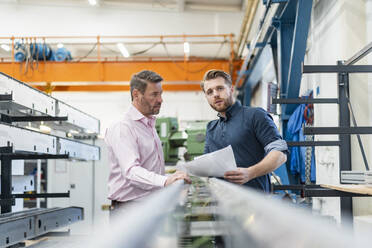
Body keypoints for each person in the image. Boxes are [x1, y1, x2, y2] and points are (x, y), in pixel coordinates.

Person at [105, 70, 190, 218]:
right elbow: (131, 171)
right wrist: (165, 180)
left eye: (161, 94)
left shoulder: (148, 125)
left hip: (148, 207)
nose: (160, 100)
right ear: (136, 94)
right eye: (154, 94)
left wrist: (169, 176)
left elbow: (148, 168)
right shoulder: (123, 127)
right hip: (129, 212)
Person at [201, 69, 288, 192]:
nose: (215, 94)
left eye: (220, 88)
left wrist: (250, 173)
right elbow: (206, 164)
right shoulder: (211, 128)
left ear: (231, 89)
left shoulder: (255, 116)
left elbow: (280, 153)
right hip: (222, 204)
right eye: (209, 92)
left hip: (255, 202)